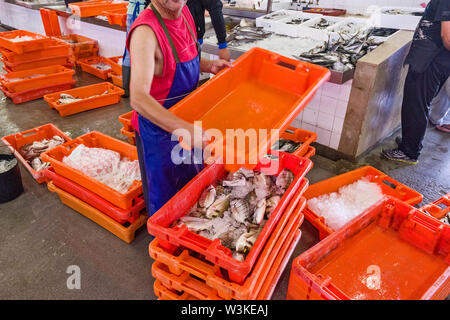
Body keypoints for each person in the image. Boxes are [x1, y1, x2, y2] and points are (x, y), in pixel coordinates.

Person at [127, 0, 232, 216]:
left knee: (192, 191)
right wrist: (183, 129)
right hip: (158, 136)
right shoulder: (145, 32)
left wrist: (208, 65)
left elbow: (185, 56)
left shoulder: (184, 11)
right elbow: (138, 98)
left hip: (189, 125)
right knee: (166, 204)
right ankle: (164, 244)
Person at [382, 0, 450, 164]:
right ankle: (409, 142)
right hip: (433, 58)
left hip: (430, 59)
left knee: (416, 104)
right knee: (417, 102)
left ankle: (409, 152)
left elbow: (447, 37)